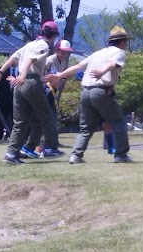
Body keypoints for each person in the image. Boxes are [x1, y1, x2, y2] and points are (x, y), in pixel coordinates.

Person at [46, 26, 133, 164]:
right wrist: (101, 72)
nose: (126, 45)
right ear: (121, 41)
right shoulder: (119, 53)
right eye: (125, 41)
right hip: (101, 90)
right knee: (119, 122)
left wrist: (60, 75)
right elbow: (112, 64)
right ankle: (121, 155)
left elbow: (78, 67)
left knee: (86, 127)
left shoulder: (98, 53)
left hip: (85, 91)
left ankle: (75, 155)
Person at [0, 21, 59, 165]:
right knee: (47, 115)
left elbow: (12, 58)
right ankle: (50, 148)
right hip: (30, 81)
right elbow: (29, 60)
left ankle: (11, 154)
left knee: (20, 122)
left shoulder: (29, 45)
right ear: (53, 36)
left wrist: (0, 72)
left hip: (18, 85)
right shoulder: (43, 45)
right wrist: (22, 75)